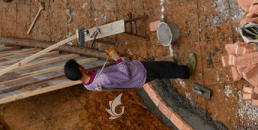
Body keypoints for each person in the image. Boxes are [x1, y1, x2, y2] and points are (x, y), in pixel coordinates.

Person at [63, 54, 195, 90]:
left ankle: (171, 66)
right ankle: (187, 71)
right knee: (161, 70)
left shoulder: (87, 85)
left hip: (138, 78)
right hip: (139, 73)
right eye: (80, 65)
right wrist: (117, 59)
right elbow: (126, 75)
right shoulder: (103, 77)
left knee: (160, 69)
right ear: (80, 68)